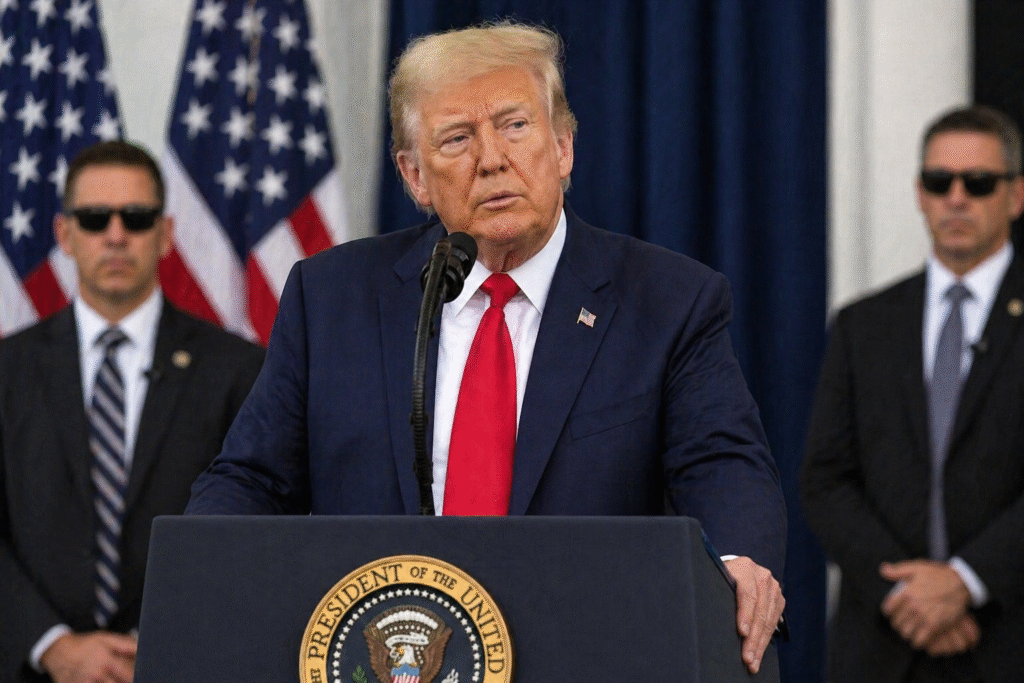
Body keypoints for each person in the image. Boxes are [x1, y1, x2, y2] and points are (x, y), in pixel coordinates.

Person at [186, 22, 786, 674]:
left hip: (589, 651)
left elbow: (721, 463)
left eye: (515, 126)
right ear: (415, 176)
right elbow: (251, 478)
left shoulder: (667, 301)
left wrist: (735, 563)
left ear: (563, 147)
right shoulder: (332, 298)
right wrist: (206, 576)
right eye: (457, 138)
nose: (493, 159)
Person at [0, 141, 265, 683]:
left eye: (137, 218)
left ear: (165, 234)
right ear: (64, 234)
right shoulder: (8, 370)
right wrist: (52, 645)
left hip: (190, 665)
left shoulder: (239, 370)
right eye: (95, 218)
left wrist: (165, 640)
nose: (116, 235)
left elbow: (257, 528)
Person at [801, 104, 1024, 683]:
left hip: (1007, 638)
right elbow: (826, 479)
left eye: (978, 183)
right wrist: (909, 594)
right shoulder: (863, 325)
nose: (957, 198)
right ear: (920, 194)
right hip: (882, 644)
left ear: (1016, 195)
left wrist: (966, 581)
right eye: (938, 181)